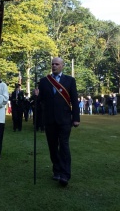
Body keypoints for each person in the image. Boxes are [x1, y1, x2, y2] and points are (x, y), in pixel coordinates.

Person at [36, 57, 80, 187]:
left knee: (64, 146)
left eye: (57, 64)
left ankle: (65, 175)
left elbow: (74, 100)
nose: (54, 66)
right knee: (53, 146)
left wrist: (76, 118)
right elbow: (39, 102)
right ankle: (56, 170)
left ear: (62, 66)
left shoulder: (70, 80)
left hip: (65, 119)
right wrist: (36, 95)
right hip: (49, 119)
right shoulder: (44, 81)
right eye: (52, 64)